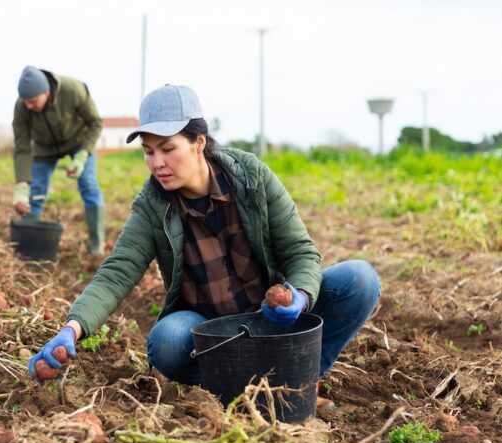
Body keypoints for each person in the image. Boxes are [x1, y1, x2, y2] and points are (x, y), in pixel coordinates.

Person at [28, 85, 381, 409]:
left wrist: (301, 295)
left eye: (168, 148)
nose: (157, 163)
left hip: (272, 321)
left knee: (360, 280)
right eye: (148, 152)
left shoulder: (252, 177)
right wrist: (73, 327)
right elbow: (118, 271)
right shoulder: (152, 205)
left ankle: (300, 382)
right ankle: (239, 391)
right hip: (212, 335)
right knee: (167, 340)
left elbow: (301, 253)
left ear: (199, 142)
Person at [12, 65, 105, 255]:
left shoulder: (73, 90)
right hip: (44, 147)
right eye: (25, 101)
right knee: (35, 192)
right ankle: (30, 248)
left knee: (88, 184)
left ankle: (97, 246)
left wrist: (82, 156)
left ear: (46, 92)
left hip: (78, 141)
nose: (29, 105)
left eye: (33, 101)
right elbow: (22, 146)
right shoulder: (22, 107)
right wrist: (22, 185)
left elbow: (96, 122)